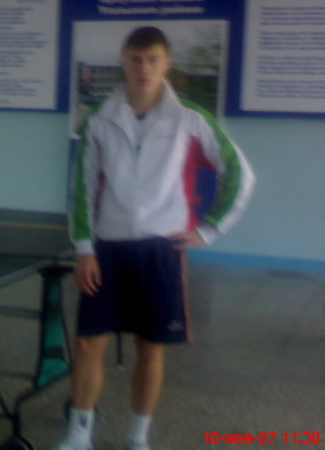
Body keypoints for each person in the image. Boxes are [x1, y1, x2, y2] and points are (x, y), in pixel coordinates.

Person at [58, 26, 255, 450]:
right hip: (107, 252)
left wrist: (209, 228)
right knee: (88, 344)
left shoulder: (189, 120)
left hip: (160, 252)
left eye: (153, 60)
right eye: (136, 59)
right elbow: (81, 189)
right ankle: (78, 435)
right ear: (123, 62)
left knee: (151, 349)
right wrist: (84, 249)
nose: (144, 68)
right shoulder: (98, 120)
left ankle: (137, 438)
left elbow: (240, 173)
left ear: (166, 64)